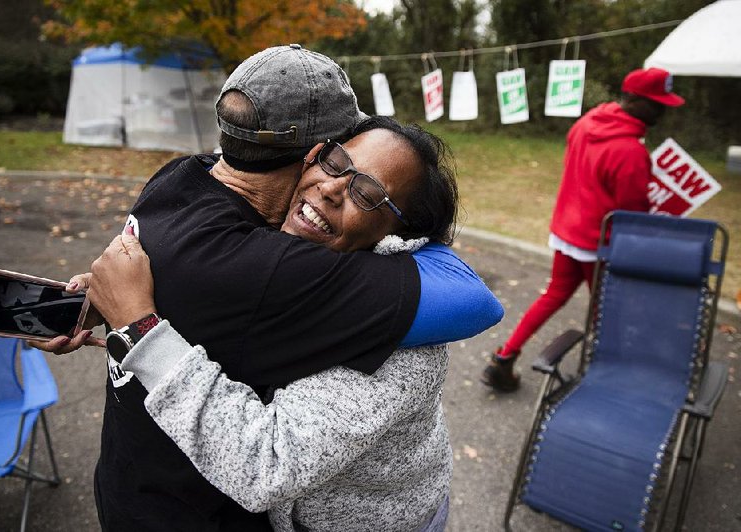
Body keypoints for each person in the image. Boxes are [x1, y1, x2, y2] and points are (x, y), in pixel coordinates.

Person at [36, 45, 500, 531]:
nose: (332, 187)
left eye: (368, 193)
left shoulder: (181, 179)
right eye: (337, 160)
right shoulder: (262, 263)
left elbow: (265, 462)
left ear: (398, 232)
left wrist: (137, 322)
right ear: (309, 155)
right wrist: (120, 310)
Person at [481, 67, 685, 392]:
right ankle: (601, 377)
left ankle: (505, 356)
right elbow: (633, 217)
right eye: (657, 103)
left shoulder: (587, 123)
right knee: (608, 310)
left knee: (554, 295)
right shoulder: (630, 152)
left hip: (566, 231)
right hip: (598, 245)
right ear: (633, 100)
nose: (663, 111)